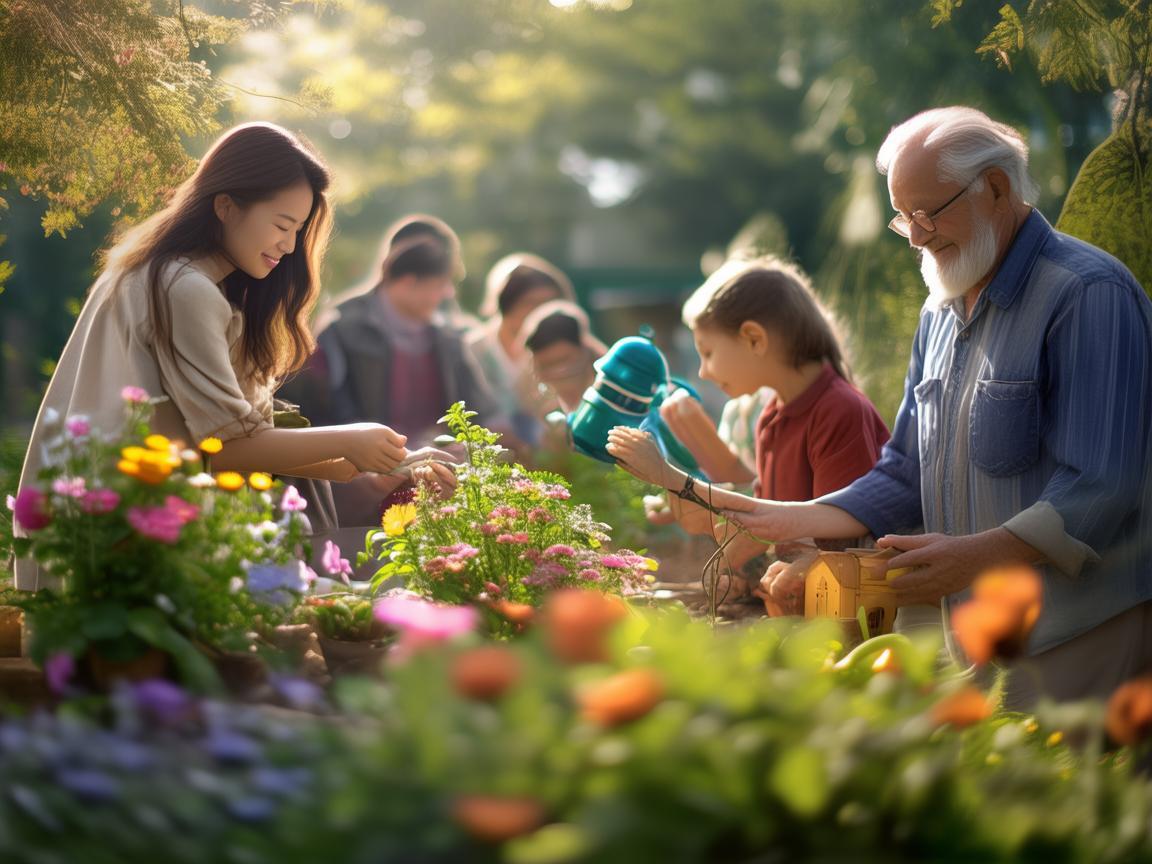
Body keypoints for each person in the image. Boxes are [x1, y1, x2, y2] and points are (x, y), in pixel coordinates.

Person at [630, 106, 1152, 708]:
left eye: (929, 214)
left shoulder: (1087, 293)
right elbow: (903, 469)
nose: (920, 237)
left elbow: (1102, 482)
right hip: (978, 642)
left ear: (997, 188)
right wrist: (793, 517)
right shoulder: (939, 312)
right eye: (904, 220)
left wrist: (979, 556)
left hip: (1077, 636)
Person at [14, 122, 453, 589]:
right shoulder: (183, 287)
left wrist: (386, 460)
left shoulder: (162, 272)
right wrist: (350, 440)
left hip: (113, 528)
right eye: (282, 225)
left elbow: (220, 445)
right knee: (380, 602)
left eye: (298, 230)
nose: (289, 246)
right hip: (125, 548)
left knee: (363, 600)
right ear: (225, 206)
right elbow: (226, 447)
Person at [607, 256, 890, 598]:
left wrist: (667, 475)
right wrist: (744, 566)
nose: (703, 373)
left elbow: (843, 552)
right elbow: (769, 529)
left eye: (708, 353)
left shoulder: (840, 410)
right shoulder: (770, 418)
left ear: (754, 339)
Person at [278, 214, 494, 527]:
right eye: (440, 282)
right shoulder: (344, 327)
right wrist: (372, 461)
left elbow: (479, 408)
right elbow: (314, 412)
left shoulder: (447, 335)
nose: (448, 293)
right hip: (361, 481)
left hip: (436, 476)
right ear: (408, 280)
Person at [467, 253, 577, 447]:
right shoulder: (473, 350)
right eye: (531, 303)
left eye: (550, 303)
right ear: (506, 304)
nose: (542, 312)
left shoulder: (561, 351)